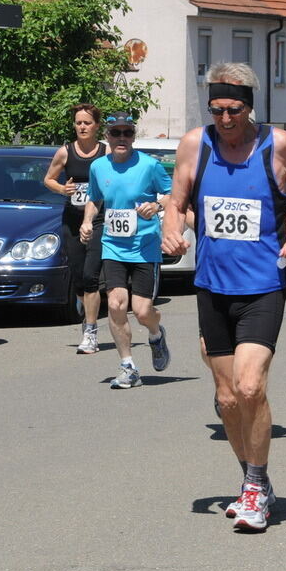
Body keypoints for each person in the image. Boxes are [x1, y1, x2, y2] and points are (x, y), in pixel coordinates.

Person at [163, 62, 286, 531]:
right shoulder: (196, 143)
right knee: (228, 399)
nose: (225, 119)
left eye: (233, 110)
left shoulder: (277, 144)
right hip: (212, 287)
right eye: (216, 110)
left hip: (263, 286)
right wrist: (172, 229)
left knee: (251, 386)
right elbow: (177, 200)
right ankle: (253, 479)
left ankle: (256, 485)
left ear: (249, 107)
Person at [80, 112, 171, 389]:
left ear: (133, 136)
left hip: (145, 247)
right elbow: (95, 200)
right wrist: (86, 221)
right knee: (117, 304)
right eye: (116, 133)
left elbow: (170, 194)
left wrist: (156, 206)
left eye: (127, 133)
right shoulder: (98, 167)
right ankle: (128, 366)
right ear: (106, 136)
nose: (122, 138)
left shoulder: (149, 165)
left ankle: (155, 333)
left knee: (142, 311)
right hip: (113, 246)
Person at [43, 104, 107, 354]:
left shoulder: (106, 152)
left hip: (100, 219)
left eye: (87, 123)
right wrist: (62, 189)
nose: (82, 127)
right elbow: (48, 179)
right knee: (79, 278)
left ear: (96, 126)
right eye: (78, 123)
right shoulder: (65, 152)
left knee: (91, 276)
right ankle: (88, 315)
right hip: (71, 219)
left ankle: (90, 330)